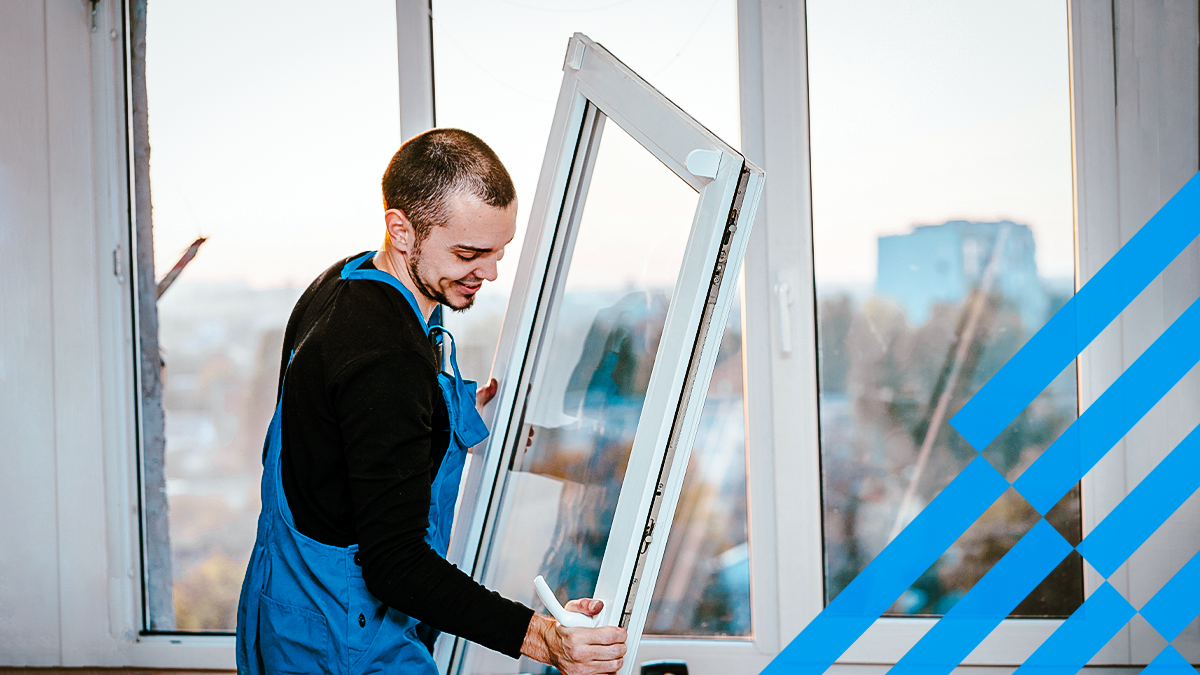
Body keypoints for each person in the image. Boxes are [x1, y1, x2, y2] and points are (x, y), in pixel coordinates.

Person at [235, 128, 627, 675]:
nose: (489, 273)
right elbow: (394, 566)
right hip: (347, 635)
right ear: (402, 229)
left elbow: (351, 429)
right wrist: (545, 640)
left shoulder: (347, 283)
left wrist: (457, 415)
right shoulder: (385, 360)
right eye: (469, 253)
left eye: (498, 252)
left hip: (288, 601)